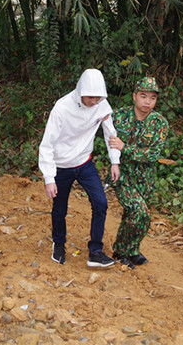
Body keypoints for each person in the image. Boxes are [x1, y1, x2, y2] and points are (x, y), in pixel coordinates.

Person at [39, 69, 121, 268]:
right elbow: (47, 144)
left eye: (98, 97)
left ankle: (96, 252)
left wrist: (114, 161)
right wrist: (49, 178)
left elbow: (111, 133)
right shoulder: (62, 108)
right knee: (60, 208)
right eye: (90, 97)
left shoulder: (101, 104)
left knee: (101, 202)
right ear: (80, 91)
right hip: (62, 166)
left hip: (85, 162)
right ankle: (59, 244)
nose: (94, 101)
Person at [107, 77, 169, 268]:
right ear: (134, 96)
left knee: (139, 217)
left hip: (145, 179)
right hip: (123, 176)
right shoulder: (118, 117)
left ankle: (132, 249)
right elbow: (107, 138)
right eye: (143, 96)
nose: (147, 102)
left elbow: (153, 155)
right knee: (137, 211)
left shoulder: (159, 123)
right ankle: (120, 250)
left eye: (152, 98)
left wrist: (125, 147)